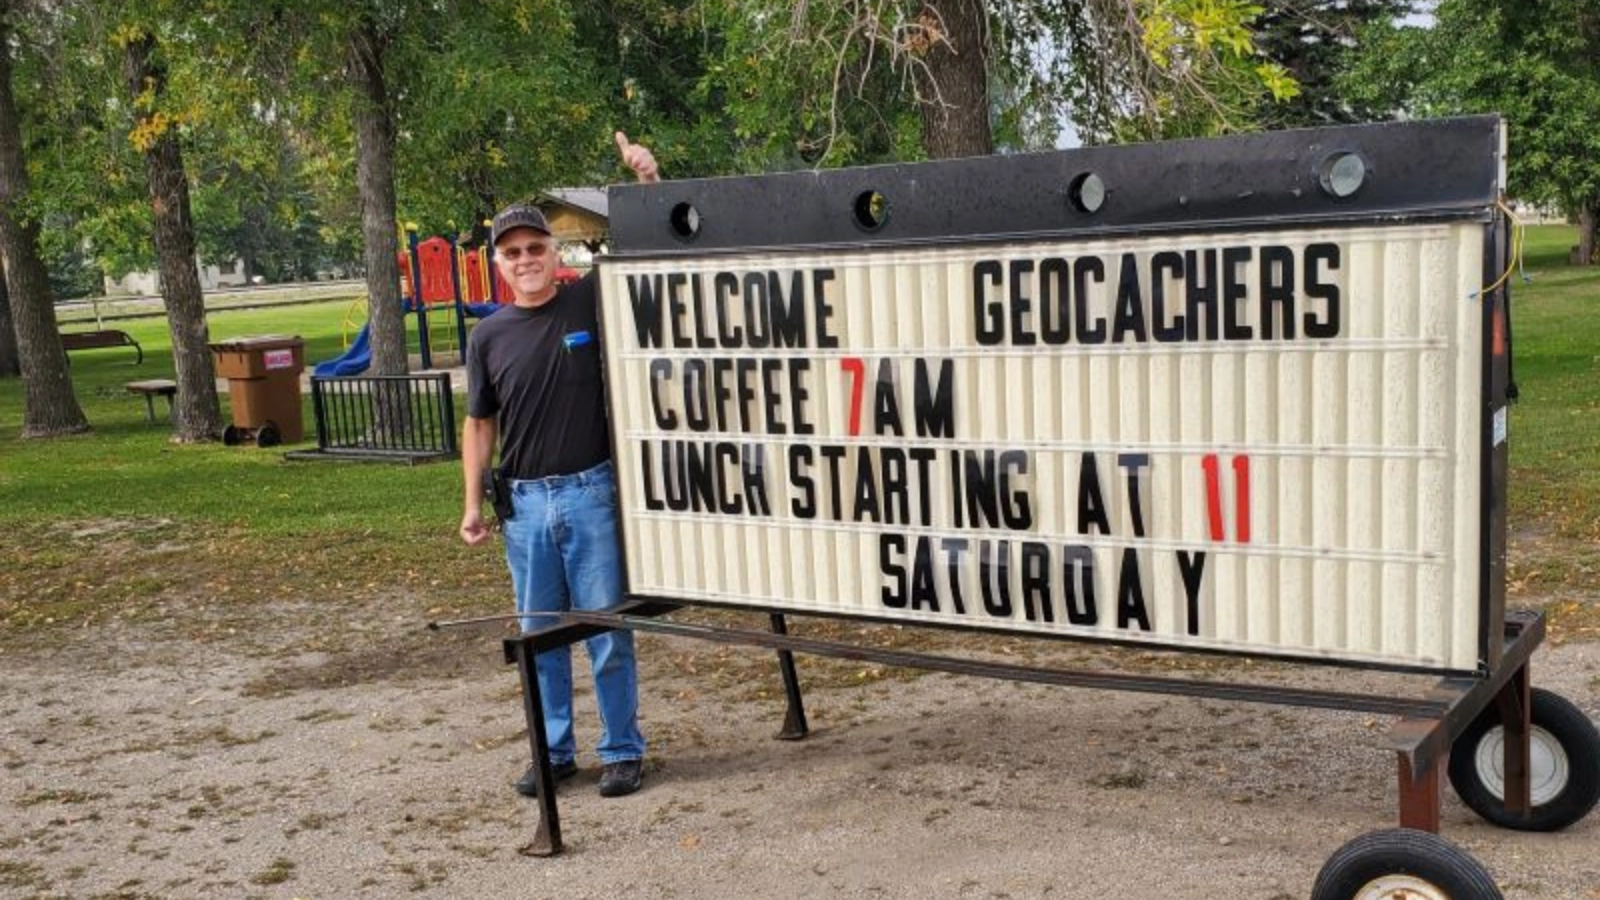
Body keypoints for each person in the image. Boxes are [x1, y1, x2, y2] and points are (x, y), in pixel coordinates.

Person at [460, 132, 660, 799]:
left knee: (606, 628)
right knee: (540, 636)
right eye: (513, 253)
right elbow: (479, 423)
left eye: (536, 248)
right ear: (499, 264)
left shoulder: (587, 301)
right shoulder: (487, 336)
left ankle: (623, 750)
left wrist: (646, 179)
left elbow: (650, 252)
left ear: (554, 252)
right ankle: (554, 752)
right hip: (524, 506)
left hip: (591, 491)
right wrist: (470, 505)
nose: (526, 261)